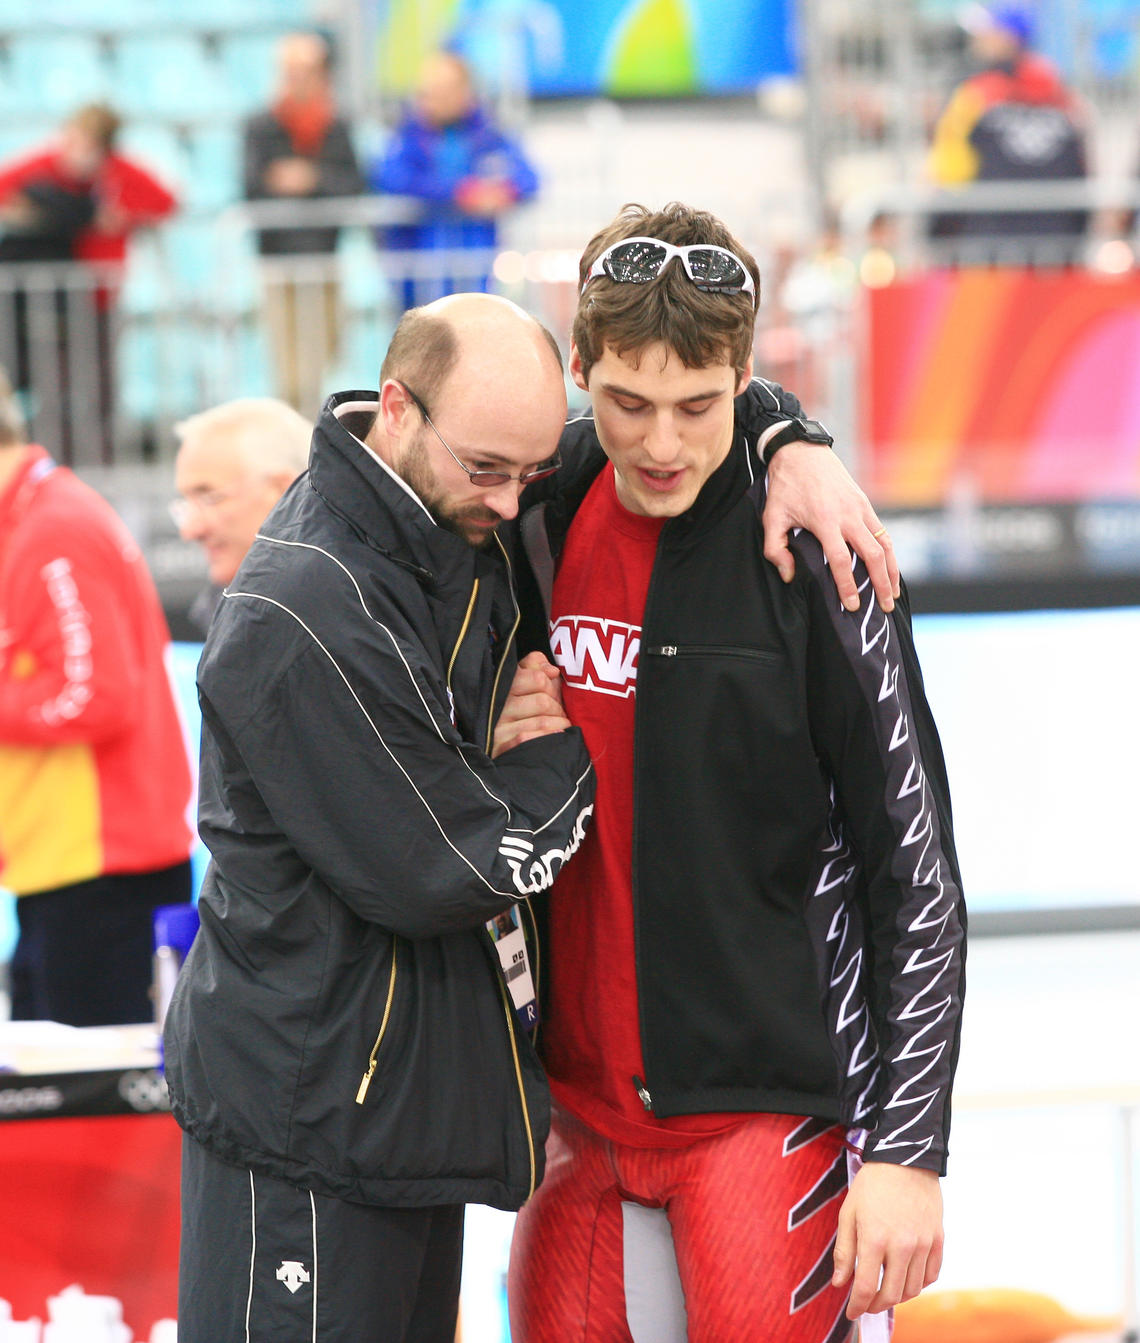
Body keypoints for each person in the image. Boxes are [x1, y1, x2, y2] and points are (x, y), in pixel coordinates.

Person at [504, 204, 967, 1342]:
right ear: (579, 365)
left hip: (765, 1117)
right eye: (627, 402)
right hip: (570, 1117)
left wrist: (907, 1150)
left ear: (747, 373)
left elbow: (916, 868)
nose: (662, 443)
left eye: (702, 406)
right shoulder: (537, 510)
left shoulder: (818, 549)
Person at [162, 295, 598, 1342]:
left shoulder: (440, 508)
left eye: (529, 472)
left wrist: (786, 432)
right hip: (310, 1122)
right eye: (486, 466)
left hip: (392, 1112)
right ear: (396, 408)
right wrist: (561, 762)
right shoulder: (307, 606)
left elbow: (662, 415)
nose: (509, 499)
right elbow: (441, 863)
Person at [0, 365, 194, 1027]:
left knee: (102, 1118)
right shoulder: (32, 521)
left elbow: (95, 696)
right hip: (65, 873)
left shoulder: (52, 529)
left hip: (101, 877)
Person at [0, 103, 178, 463]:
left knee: (100, 390)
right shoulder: (45, 167)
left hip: (100, 296)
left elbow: (166, 203)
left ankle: (100, 462)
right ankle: (55, 461)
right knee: (52, 385)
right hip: (55, 300)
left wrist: (124, 218)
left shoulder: (119, 174)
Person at [242, 31, 364, 415]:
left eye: (304, 70)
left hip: (325, 259)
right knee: (292, 370)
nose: (296, 79)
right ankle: (297, 449)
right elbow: (250, 185)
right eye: (289, 70)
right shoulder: (261, 126)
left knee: (326, 350)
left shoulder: (336, 124)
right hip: (278, 263)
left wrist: (311, 179)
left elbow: (354, 182)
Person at [371, 49, 538, 310]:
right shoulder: (407, 137)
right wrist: (459, 193)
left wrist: (505, 190)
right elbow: (391, 178)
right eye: (426, 91)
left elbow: (529, 178)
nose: (428, 100)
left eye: (440, 91)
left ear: (464, 92)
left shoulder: (489, 135)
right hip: (418, 270)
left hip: (477, 268)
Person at [927, 4, 1088, 261]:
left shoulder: (974, 94)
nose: (976, 38)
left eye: (986, 31)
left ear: (1008, 37)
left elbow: (949, 177)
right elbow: (1083, 172)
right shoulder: (1063, 95)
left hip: (988, 253)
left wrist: (936, 239)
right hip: (1059, 252)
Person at [171, 397, 312, 632]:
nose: (189, 530)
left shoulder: (353, 618)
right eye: (186, 505)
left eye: (209, 498)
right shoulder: (223, 615)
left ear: (285, 492)